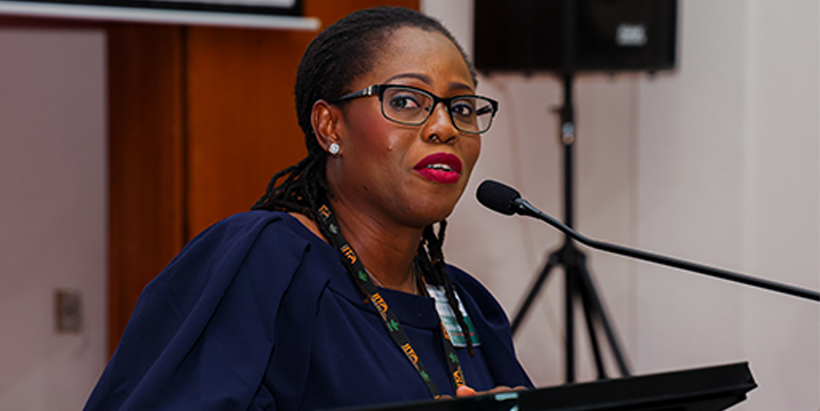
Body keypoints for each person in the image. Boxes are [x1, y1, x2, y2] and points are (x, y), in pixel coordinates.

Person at [84, 6, 532, 411]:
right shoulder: (264, 263)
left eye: (462, 107)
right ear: (329, 125)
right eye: (405, 101)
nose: (444, 127)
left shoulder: (467, 306)